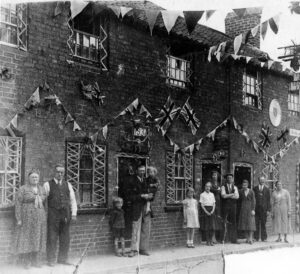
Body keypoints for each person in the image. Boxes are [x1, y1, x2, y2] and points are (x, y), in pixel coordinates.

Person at [44, 164, 77, 266]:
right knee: (52, 237)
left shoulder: (68, 185)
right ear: (54, 172)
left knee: (65, 238)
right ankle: (51, 260)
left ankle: (63, 259)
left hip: (65, 215)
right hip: (53, 215)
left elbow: (73, 200)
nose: (60, 174)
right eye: (58, 172)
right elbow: (44, 200)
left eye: (62, 172)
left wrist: (74, 213)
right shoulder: (47, 184)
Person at [14, 169, 47, 269]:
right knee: (27, 238)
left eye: (36, 177)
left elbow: (45, 203)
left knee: (37, 238)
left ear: (39, 178)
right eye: (33, 177)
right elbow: (18, 204)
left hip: (39, 219)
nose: (35, 179)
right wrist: (18, 218)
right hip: (27, 218)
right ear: (29, 178)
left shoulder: (41, 189)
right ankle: (26, 261)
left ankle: (36, 260)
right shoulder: (23, 189)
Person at [127, 165, 154, 257]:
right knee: (135, 228)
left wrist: (150, 196)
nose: (142, 172)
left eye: (143, 171)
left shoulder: (146, 181)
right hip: (136, 207)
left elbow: (152, 192)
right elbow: (129, 196)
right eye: (140, 171)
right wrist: (142, 196)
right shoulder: (131, 180)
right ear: (136, 171)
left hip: (146, 206)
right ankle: (134, 250)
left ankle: (143, 248)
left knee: (146, 228)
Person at [221, 173, 239, 244]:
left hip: (233, 206)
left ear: (232, 179)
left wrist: (227, 195)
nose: (229, 179)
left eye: (230, 178)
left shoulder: (235, 187)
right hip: (225, 206)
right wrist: (232, 194)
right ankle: (224, 239)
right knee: (224, 221)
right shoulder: (223, 187)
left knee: (233, 222)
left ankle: (234, 239)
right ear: (226, 179)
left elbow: (237, 197)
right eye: (228, 178)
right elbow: (223, 196)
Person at [238, 180, 256, 244]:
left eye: (245, 185)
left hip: (250, 208)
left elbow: (253, 201)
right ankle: (247, 238)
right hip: (243, 208)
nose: (244, 186)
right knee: (244, 224)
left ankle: (251, 238)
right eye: (243, 185)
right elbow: (238, 199)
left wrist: (253, 209)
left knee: (250, 223)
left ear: (247, 185)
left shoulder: (251, 191)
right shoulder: (241, 191)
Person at [253, 176, 271, 242]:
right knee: (256, 223)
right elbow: (253, 199)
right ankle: (256, 237)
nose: (262, 181)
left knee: (263, 223)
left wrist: (268, 210)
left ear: (265, 180)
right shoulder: (255, 188)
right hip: (256, 209)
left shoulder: (267, 189)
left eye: (263, 180)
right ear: (258, 180)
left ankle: (264, 238)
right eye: (261, 180)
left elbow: (268, 200)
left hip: (264, 210)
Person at [210, 170, 222, 243]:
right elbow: (212, 190)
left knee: (217, 219)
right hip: (212, 202)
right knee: (212, 220)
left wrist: (217, 190)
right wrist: (217, 190)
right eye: (213, 175)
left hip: (218, 203)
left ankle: (216, 237)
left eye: (216, 175)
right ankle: (212, 237)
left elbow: (220, 192)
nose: (214, 176)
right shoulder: (210, 184)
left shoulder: (219, 184)